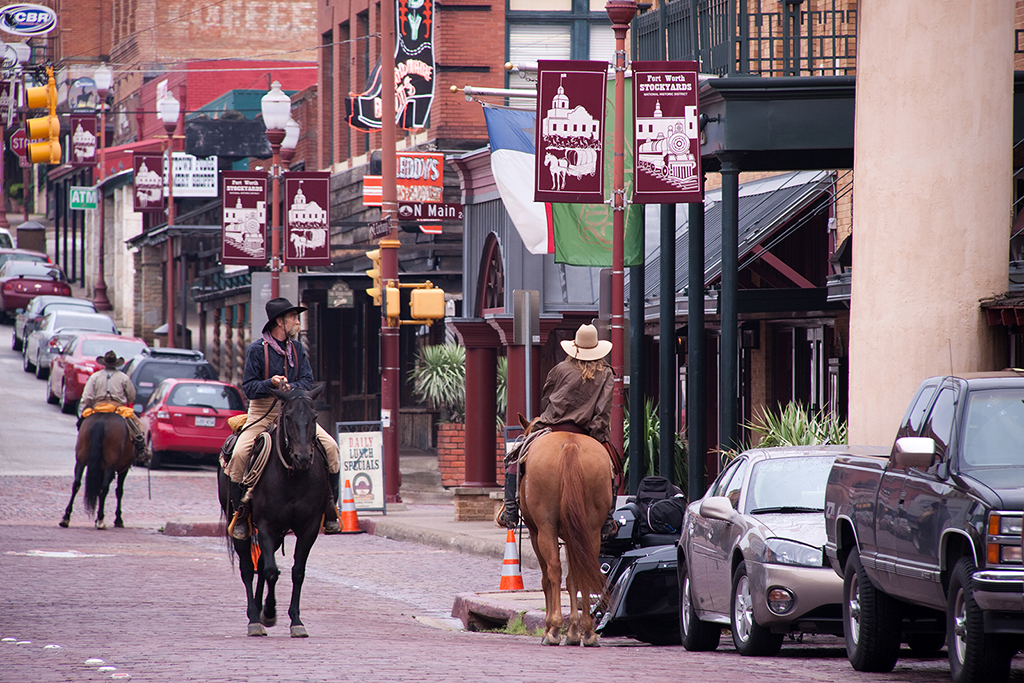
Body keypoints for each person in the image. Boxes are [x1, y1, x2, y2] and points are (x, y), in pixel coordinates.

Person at [225, 297, 343, 540]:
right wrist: (271, 383)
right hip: (262, 412)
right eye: (293, 317)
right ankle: (241, 513)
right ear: (280, 321)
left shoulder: (298, 349)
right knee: (238, 454)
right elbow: (249, 388)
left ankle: (330, 508)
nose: (297, 321)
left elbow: (308, 381)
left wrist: (289, 388)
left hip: (295, 411)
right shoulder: (256, 350)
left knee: (331, 448)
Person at [498, 323, 619, 539]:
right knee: (611, 469)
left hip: (552, 426)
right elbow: (602, 412)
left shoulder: (561, 369)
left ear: (575, 347)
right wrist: (598, 438)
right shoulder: (607, 373)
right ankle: (608, 520)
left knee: (515, 458)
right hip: (589, 431)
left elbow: (548, 398)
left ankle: (510, 511)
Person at [78, 350, 150, 464]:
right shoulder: (123, 377)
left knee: (82, 426)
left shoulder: (94, 377)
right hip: (118, 409)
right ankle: (142, 450)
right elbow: (131, 396)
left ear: (104, 363)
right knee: (138, 426)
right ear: (116, 364)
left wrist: (83, 411)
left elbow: (86, 397)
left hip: (97, 407)